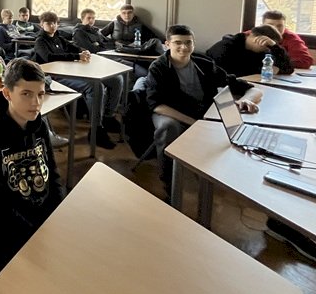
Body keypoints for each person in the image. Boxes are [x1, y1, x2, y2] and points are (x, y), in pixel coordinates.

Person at [0, 58, 65, 280]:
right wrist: (36, 228)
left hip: (41, 219)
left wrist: (59, 212)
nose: (36, 102)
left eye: (40, 94)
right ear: (7, 93)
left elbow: (52, 173)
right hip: (9, 230)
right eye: (26, 94)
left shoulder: (39, 124)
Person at [145, 25, 261, 184]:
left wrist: (246, 99)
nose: (184, 47)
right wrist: (194, 123)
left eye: (188, 42)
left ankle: (221, 174)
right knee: (168, 126)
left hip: (200, 111)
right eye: (178, 42)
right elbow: (157, 105)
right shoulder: (158, 67)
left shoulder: (204, 64)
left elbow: (252, 89)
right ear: (167, 44)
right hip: (170, 112)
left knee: (237, 125)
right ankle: (168, 180)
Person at [34, 11, 123, 149]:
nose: (52, 26)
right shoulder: (40, 41)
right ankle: (96, 129)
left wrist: (83, 51)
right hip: (53, 77)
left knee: (117, 80)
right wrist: (76, 56)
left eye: (55, 23)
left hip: (69, 72)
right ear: (41, 24)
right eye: (49, 23)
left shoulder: (58, 38)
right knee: (95, 86)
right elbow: (49, 57)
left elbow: (73, 48)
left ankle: (108, 117)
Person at [206, 25, 294, 77]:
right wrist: (262, 69)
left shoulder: (262, 51)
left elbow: (288, 69)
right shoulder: (225, 48)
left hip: (251, 86)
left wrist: (275, 47)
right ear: (258, 38)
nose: (268, 49)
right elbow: (228, 74)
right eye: (267, 45)